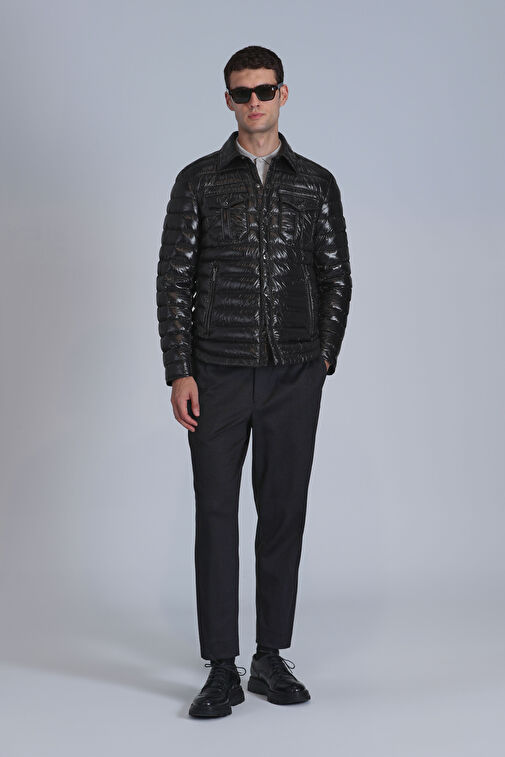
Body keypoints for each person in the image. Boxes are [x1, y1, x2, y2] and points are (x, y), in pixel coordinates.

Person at [156, 45, 352, 718]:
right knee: (215, 515)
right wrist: (180, 369)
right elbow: (173, 280)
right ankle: (221, 666)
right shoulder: (199, 181)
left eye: (264, 90)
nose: (254, 103)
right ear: (228, 101)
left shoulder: (314, 183)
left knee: (283, 513)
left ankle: (270, 656)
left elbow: (336, 275)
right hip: (215, 371)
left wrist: (322, 358)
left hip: (293, 374)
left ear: (283, 94)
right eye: (242, 93)